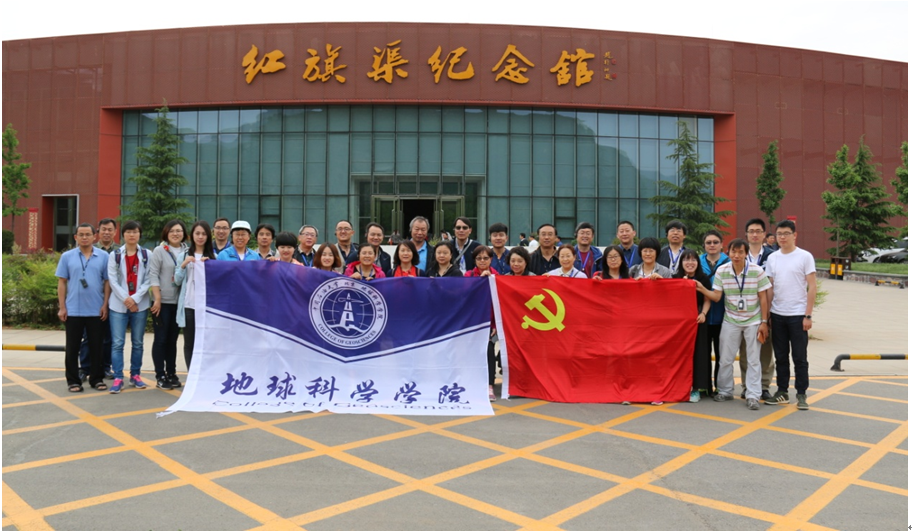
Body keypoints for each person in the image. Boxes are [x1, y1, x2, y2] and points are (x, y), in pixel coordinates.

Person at [705, 239, 771, 410]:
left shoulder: (757, 271)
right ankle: (725, 390)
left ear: (746, 254)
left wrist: (764, 322)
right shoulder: (722, 270)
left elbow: (763, 298)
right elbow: (717, 296)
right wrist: (700, 288)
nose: (736, 255)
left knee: (753, 359)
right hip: (731, 319)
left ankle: (753, 395)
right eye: (733, 252)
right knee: (725, 358)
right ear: (728, 253)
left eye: (740, 252)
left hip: (753, 320)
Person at [764, 220, 816, 411]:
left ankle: (801, 393)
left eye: (786, 233)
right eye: (779, 234)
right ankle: (782, 391)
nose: (782, 237)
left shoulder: (804, 256)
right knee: (780, 356)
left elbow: (812, 287)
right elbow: (770, 288)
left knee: (800, 357)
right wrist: (767, 315)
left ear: (795, 235)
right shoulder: (773, 258)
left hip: (798, 315)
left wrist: (808, 315)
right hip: (778, 314)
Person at [56, 223, 110, 392]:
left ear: (95, 237)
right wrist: (62, 307)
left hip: (96, 309)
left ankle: (96, 379)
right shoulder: (67, 256)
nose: (85, 237)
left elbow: (107, 282)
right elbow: (62, 282)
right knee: (72, 347)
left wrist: (105, 304)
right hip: (73, 310)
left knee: (97, 347)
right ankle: (73, 381)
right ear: (76, 237)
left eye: (88, 234)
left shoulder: (103, 256)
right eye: (81, 234)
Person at [106, 220, 152, 394]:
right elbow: (112, 280)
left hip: (140, 305)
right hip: (118, 306)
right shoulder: (115, 255)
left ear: (140, 234)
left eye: (135, 232)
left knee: (138, 343)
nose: (132, 235)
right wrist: (127, 299)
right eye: (128, 232)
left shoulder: (147, 254)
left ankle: (135, 375)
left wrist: (135, 299)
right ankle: (118, 377)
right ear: (123, 234)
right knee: (117, 344)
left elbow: (149, 279)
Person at [149, 219, 189, 390]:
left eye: (179, 230)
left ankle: (171, 373)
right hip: (162, 303)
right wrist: (157, 298)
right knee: (161, 339)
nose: (175, 234)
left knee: (172, 340)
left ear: (184, 233)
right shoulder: (159, 251)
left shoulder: (188, 251)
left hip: (179, 303)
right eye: (172, 231)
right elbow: (153, 275)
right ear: (166, 233)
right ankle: (160, 375)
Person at [740, 218, 776, 400]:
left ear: (764, 234)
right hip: (744, 311)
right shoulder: (739, 254)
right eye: (751, 231)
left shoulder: (773, 256)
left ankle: (763, 386)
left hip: (766, 309)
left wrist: (768, 314)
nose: (754, 234)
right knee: (745, 350)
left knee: (765, 349)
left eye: (758, 231)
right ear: (746, 234)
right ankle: (747, 386)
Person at [175, 220, 217, 371]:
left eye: (203, 234)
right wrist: (184, 265)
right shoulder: (183, 255)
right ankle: (191, 373)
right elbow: (177, 281)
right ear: (191, 235)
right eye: (197, 233)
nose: (200, 237)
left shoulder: (214, 257)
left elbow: (217, 284)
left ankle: (204, 374)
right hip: (189, 306)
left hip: (206, 307)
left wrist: (210, 266)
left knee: (207, 343)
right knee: (189, 343)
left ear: (208, 236)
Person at [78, 217, 117, 381]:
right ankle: (84, 368)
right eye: (103, 229)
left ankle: (106, 367)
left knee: (108, 337)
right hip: (91, 301)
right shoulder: (87, 250)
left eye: (110, 230)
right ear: (98, 232)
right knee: (87, 337)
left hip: (114, 301)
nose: (106, 232)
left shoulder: (119, 252)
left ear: (115, 232)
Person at [674, 249, 713, 402]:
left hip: (698, 321)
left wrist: (703, 313)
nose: (690, 263)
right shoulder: (675, 278)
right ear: (681, 263)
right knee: (680, 354)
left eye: (693, 260)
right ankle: (679, 387)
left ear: (698, 262)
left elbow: (707, 299)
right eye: (686, 260)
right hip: (680, 324)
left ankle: (697, 388)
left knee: (699, 354)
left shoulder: (703, 278)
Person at [464, 245, 499, 401]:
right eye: (479, 258)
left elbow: (500, 303)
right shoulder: (468, 275)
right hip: (471, 323)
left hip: (489, 324)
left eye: (486, 258)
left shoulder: (497, 276)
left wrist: (496, 325)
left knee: (489, 350)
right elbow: (465, 295)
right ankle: (471, 382)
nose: (482, 261)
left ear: (491, 259)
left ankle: (489, 384)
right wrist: (480, 281)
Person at [699, 230, 730, 392]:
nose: (712, 245)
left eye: (715, 242)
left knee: (721, 355)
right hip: (702, 316)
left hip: (724, 316)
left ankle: (720, 386)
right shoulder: (697, 261)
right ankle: (704, 387)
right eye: (708, 242)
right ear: (704, 245)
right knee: (703, 354)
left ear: (721, 244)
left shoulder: (729, 262)